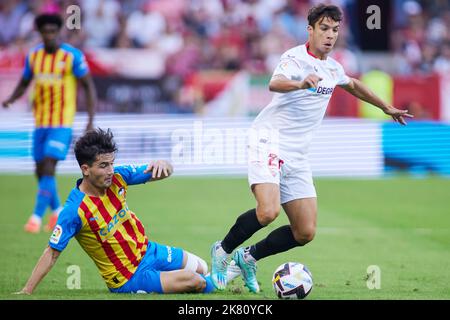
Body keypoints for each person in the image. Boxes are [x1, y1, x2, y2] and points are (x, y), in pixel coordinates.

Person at [210, 4, 413, 293]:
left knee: (305, 232)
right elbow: (274, 83)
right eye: (324, 29)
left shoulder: (333, 67)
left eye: (335, 30)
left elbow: (352, 84)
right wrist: (300, 83)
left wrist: (386, 107)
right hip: (269, 139)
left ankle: (248, 257)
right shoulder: (294, 59)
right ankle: (223, 249)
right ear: (310, 30)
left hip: (298, 153)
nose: (330, 36)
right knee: (268, 212)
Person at [16, 128, 214, 295]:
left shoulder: (119, 176)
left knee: (202, 267)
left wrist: (165, 164)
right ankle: (230, 274)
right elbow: (52, 252)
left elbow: (162, 172)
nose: (111, 170)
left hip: (148, 251)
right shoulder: (75, 211)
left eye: (111, 163)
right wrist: (27, 290)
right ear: (86, 169)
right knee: (197, 281)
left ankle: (220, 276)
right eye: (103, 165)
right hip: (129, 277)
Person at [2, 13, 97, 233]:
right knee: (40, 170)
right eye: (45, 32)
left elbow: (88, 86)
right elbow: (25, 82)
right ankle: (57, 212)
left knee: (48, 165)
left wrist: (90, 120)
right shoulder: (34, 56)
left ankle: (35, 217)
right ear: (40, 34)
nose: (49, 36)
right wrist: (11, 99)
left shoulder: (72, 56)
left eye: (53, 31)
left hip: (62, 122)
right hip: (40, 122)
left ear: (59, 32)